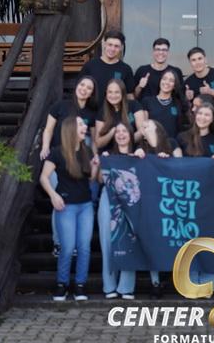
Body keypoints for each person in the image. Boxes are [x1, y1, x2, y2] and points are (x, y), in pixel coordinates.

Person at [40, 116, 99, 301]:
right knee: (67, 247)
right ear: (71, 128)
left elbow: (90, 179)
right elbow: (43, 177)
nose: (85, 127)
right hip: (66, 206)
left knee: (84, 247)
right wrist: (53, 195)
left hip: (85, 206)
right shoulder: (57, 152)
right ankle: (62, 284)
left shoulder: (86, 150)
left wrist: (95, 167)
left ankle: (80, 285)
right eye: (81, 124)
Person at [40, 76, 99, 256]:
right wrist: (45, 147)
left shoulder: (91, 113)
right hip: (58, 160)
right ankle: (59, 243)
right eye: (82, 85)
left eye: (89, 88)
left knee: (80, 202)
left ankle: (76, 244)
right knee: (59, 200)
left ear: (92, 93)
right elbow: (48, 129)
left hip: (80, 164)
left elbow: (93, 140)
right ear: (76, 86)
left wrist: (94, 157)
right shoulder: (60, 106)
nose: (84, 89)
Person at [134, 119, 182, 297]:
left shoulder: (171, 144)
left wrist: (168, 161)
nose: (144, 127)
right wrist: (136, 157)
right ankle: (155, 282)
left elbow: (183, 168)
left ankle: (175, 278)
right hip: (149, 201)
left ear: (157, 127)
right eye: (142, 126)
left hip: (170, 201)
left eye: (148, 125)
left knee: (170, 239)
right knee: (152, 240)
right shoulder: (141, 149)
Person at [177, 103, 214, 288]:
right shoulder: (182, 137)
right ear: (195, 115)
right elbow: (175, 164)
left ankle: (208, 282)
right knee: (190, 239)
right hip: (188, 196)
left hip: (210, 195)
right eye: (200, 113)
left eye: (207, 115)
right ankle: (191, 281)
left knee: (208, 238)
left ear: (212, 119)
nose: (203, 117)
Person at [98, 122, 136, 300]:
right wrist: (102, 164)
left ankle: (126, 287)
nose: (121, 134)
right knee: (107, 241)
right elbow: (99, 180)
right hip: (108, 198)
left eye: (124, 131)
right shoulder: (108, 156)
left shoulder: (138, 155)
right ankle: (109, 286)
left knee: (129, 241)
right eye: (118, 132)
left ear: (130, 134)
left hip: (131, 200)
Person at [79, 30, 135, 106]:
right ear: (104, 44)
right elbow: (79, 91)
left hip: (115, 111)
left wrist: (133, 110)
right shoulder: (90, 66)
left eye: (116, 46)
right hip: (91, 110)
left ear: (121, 48)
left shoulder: (126, 69)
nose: (112, 49)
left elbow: (129, 95)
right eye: (110, 45)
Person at [95, 79, 144, 153]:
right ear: (106, 93)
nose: (113, 95)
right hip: (110, 154)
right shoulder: (102, 112)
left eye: (117, 92)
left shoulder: (134, 105)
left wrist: (125, 140)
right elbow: (98, 143)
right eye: (110, 92)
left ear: (123, 93)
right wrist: (113, 132)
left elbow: (142, 131)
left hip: (133, 152)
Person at [142, 69, 190, 138]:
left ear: (174, 86)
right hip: (153, 142)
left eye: (171, 80)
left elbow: (182, 129)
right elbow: (144, 128)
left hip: (173, 143)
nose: (167, 82)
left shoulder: (178, 104)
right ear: (160, 81)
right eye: (164, 79)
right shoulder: (147, 101)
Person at [184, 47, 214, 115]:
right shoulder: (188, 82)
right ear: (190, 63)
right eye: (193, 60)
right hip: (200, 119)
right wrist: (187, 99)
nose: (197, 62)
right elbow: (188, 108)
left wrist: (211, 92)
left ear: (205, 60)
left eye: (200, 58)